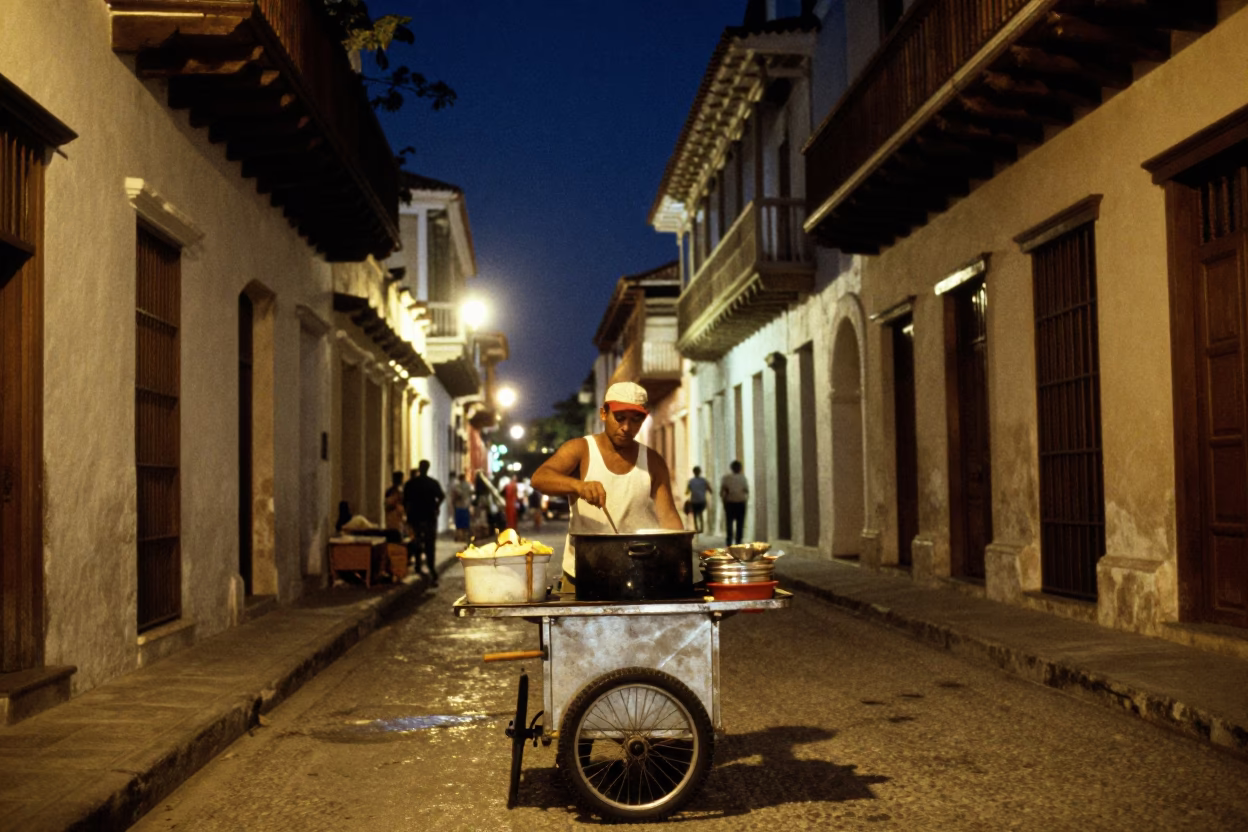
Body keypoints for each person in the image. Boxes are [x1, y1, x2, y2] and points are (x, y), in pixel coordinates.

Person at [532, 381, 683, 593]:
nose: (626, 427)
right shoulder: (581, 450)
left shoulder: (652, 461)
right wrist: (578, 486)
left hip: (640, 574)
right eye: (619, 418)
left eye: (635, 420)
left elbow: (668, 516)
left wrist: (679, 558)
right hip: (583, 574)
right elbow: (540, 478)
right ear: (604, 413)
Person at [403, 460, 445, 586]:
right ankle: (431, 568)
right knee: (429, 544)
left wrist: (408, 513)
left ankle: (418, 565)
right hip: (429, 517)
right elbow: (442, 496)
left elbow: (405, 500)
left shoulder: (410, 483)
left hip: (415, 517)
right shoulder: (432, 483)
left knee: (416, 541)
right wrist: (436, 506)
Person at [720, 459, 749, 547]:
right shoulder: (743, 478)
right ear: (740, 468)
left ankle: (729, 542)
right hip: (740, 503)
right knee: (740, 524)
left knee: (729, 523)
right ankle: (738, 541)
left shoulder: (726, 478)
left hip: (730, 503)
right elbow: (746, 491)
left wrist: (724, 501)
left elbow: (722, 492)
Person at [449, 472, 474, 542]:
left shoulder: (458, 486)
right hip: (466, 506)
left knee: (459, 523)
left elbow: (456, 495)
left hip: (459, 506)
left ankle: (460, 537)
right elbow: (472, 493)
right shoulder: (469, 485)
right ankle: (465, 537)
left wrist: (453, 502)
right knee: (466, 523)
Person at [685, 466, 710, 534]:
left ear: (693, 472)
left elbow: (686, 492)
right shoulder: (704, 481)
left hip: (694, 500)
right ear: (700, 472)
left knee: (695, 515)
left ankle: (696, 528)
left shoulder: (691, 481)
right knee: (700, 514)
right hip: (702, 500)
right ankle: (702, 528)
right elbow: (710, 490)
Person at [384, 471, 406, 536]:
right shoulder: (391, 491)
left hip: (399, 517)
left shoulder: (400, 491)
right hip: (392, 517)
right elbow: (388, 505)